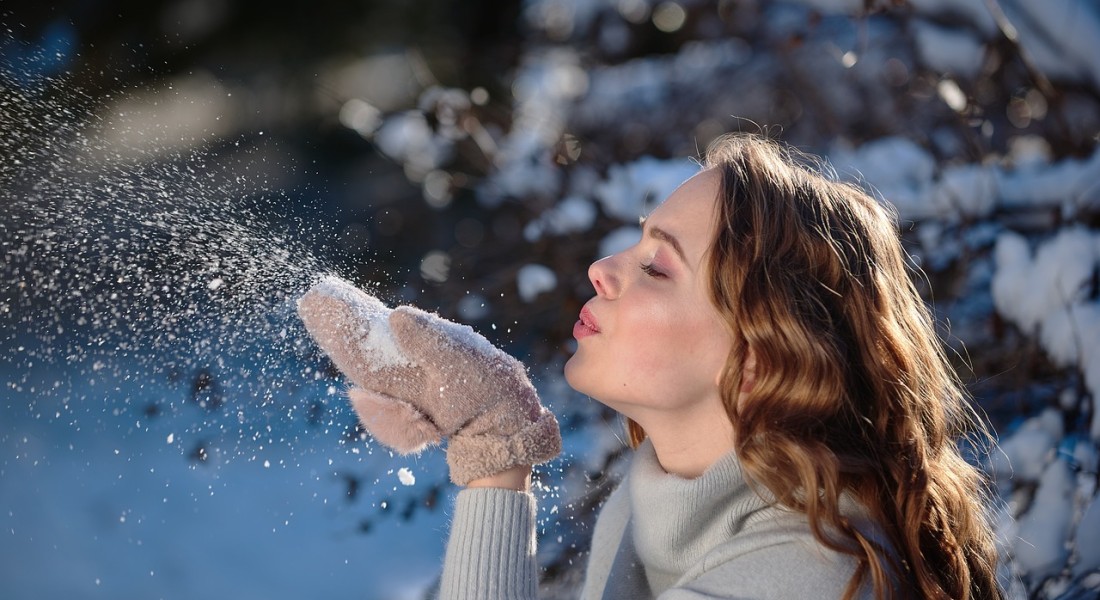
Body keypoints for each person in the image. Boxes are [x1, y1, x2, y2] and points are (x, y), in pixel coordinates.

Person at [297, 133, 1006, 599]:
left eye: (657, 268)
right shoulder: (655, 510)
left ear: (757, 359)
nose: (604, 269)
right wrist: (494, 445)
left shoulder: (805, 581)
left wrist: (494, 457)